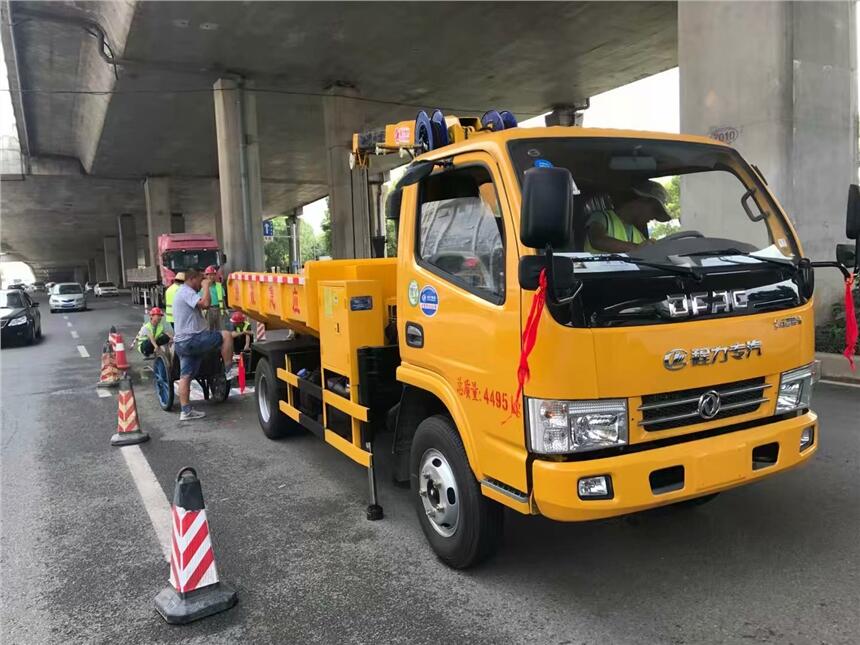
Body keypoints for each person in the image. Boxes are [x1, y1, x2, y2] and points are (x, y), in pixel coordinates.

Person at [172, 267, 236, 421]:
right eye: (200, 281)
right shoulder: (187, 291)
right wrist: (207, 287)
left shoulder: (181, 292)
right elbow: (206, 303)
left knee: (185, 376)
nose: (201, 284)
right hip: (192, 339)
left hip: (182, 342)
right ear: (192, 279)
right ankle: (228, 370)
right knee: (226, 335)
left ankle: (186, 411)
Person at [585, 181, 672, 254]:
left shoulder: (639, 237)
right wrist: (636, 248)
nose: (654, 217)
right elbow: (597, 240)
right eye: (655, 210)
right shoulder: (602, 218)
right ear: (642, 200)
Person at [201, 265, 226, 331]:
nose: (211, 277)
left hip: (219, 310)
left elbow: (223, 299)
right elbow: (201, 300)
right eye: (209, 275)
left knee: (220, 329)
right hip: (208, 310)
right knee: (209, 329)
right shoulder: (203, 287)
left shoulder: (219, 286)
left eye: (213, 275)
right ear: (206, 276)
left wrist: (225, 309)